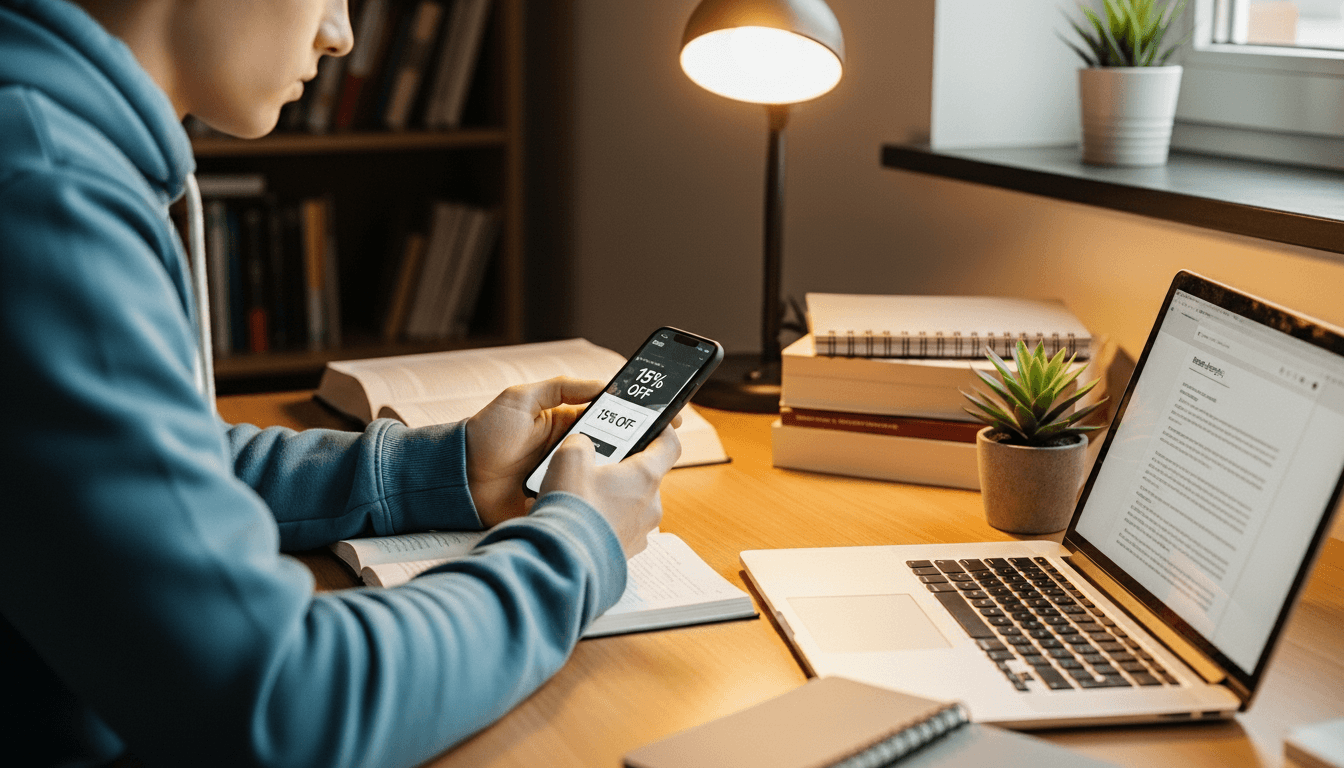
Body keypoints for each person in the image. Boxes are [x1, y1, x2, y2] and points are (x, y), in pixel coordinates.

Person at [0, 0, 680, 765]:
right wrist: (577, 548)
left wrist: (442, 468)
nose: (341, 35)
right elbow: (280, 702)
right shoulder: (46, 193)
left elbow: (158, 469)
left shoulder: (53, 139)